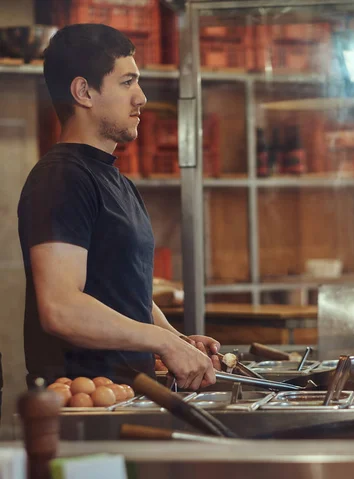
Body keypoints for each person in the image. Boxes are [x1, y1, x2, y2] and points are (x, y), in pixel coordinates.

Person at [17, 24, 219, 390]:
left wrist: (177, 339)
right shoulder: (61, 178)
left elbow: (127, 293)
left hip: (131, 394)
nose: (141, 97)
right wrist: (161, 342)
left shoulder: (116, 180)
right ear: (84, 92)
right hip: (85, 405)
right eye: (127, 82)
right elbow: (60, 308)